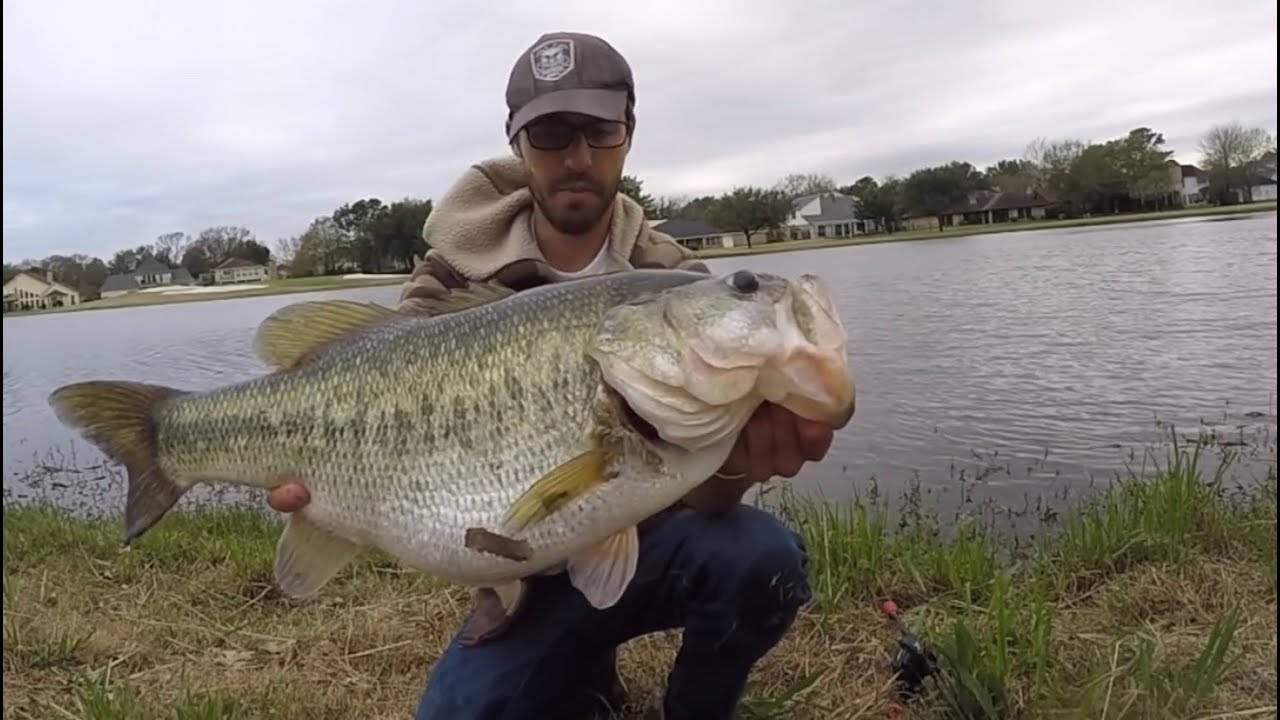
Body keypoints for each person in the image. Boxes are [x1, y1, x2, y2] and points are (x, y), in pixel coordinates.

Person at [265, 31, 850, 720]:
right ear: (518, 146)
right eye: (550, 135)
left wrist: (741, 464)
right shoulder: (452, 275)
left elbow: (707, 495)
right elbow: (384, 377)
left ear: (628, 134)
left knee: (761, 557)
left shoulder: (674, 277)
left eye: (599, 132)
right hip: (515, 575)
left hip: (651, 542)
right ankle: (577, 673)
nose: (577, 157)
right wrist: (320, 484)